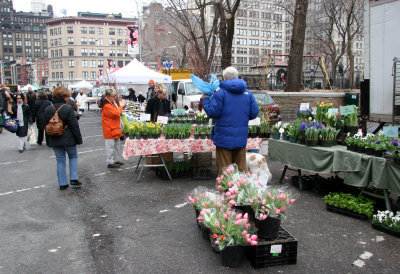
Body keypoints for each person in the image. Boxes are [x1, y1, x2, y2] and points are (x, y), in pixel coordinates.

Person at [201, 66, 259, 175]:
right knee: (241, 171)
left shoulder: (220, 94)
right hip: (240, 138)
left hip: (224, 140)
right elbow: (254, 113)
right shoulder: (248, 94)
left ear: (226, 78)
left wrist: (205, 99)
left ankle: (226, 191)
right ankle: (240, 191)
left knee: (225, 171)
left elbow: (213, 113)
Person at [44, 86, 83, 190]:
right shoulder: (67, 108)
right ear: (65, 96)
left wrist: (48, 141)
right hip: (68, 138)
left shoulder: (48, 109)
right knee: (73, 157)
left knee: (60, 160)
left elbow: (46, 127)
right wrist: (79, 139)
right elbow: (74, 126)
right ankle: (73, 179)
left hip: (54, 138)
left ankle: (62, 183)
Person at [99, 88, 125, 168]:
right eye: (113, 96)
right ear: (108, 96)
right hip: (110, 129)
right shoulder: (107, 105)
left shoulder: (111, 103)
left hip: (114, 128)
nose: (115, 98)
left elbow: (116, 113)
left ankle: (115, 160)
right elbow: (115, 113)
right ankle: (110, 162)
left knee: (117, 146)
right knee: (110, 147)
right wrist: (121, 107)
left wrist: (120, 107)